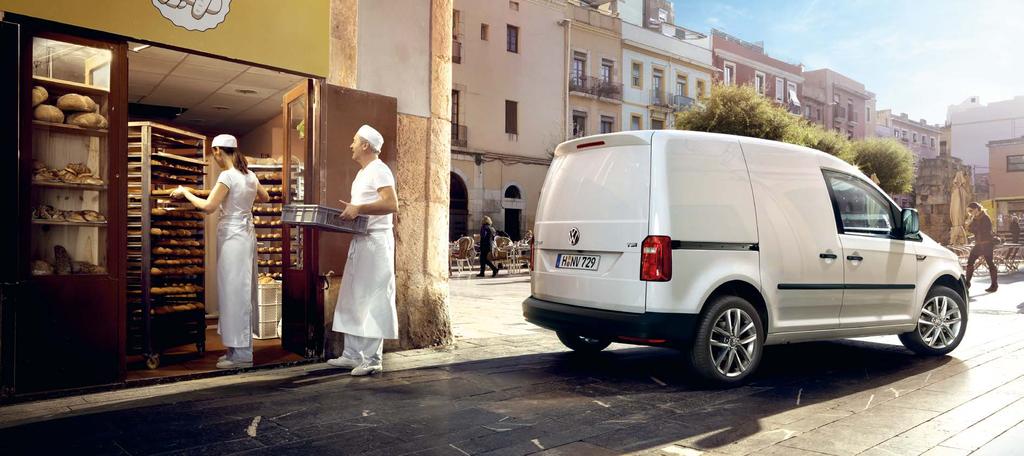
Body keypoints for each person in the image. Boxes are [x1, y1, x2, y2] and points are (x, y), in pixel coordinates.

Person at [172, 134, 270, 368]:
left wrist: (184, 191)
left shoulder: (227, 175)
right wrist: (243, 206)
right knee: (240, 289)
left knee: (233, 291)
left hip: (232, 238)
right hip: (245, 235)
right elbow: (265, 197)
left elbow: (208, 207)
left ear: (217, 151)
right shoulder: (249, 174)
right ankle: (236, 350)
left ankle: (243, 355)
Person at [327, 125, 399, 376]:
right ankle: (351, 354)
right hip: (361, 240)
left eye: (355, 141)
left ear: (366, 145)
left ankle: (372, 359)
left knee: (373, 298)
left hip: (377, 244)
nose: (351, 145)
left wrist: (358, 209)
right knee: (352, 296)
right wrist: (352, 213)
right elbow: (362, 206)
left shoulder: (380, 170)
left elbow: (391, 204)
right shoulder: (363, 174)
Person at [965, 202, 998, 293]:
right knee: (970, 262)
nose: (970, 213)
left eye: (971, 211)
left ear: (976, 209)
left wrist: (972, 226)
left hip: (987, 244)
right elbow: (972, 230)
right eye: (969, 212)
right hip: (979, 245)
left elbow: (984, 230)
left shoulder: (985, 218)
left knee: (990, 263)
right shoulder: (974, 219)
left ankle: (994, 285)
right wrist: (969, 225)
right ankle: (967, 283)